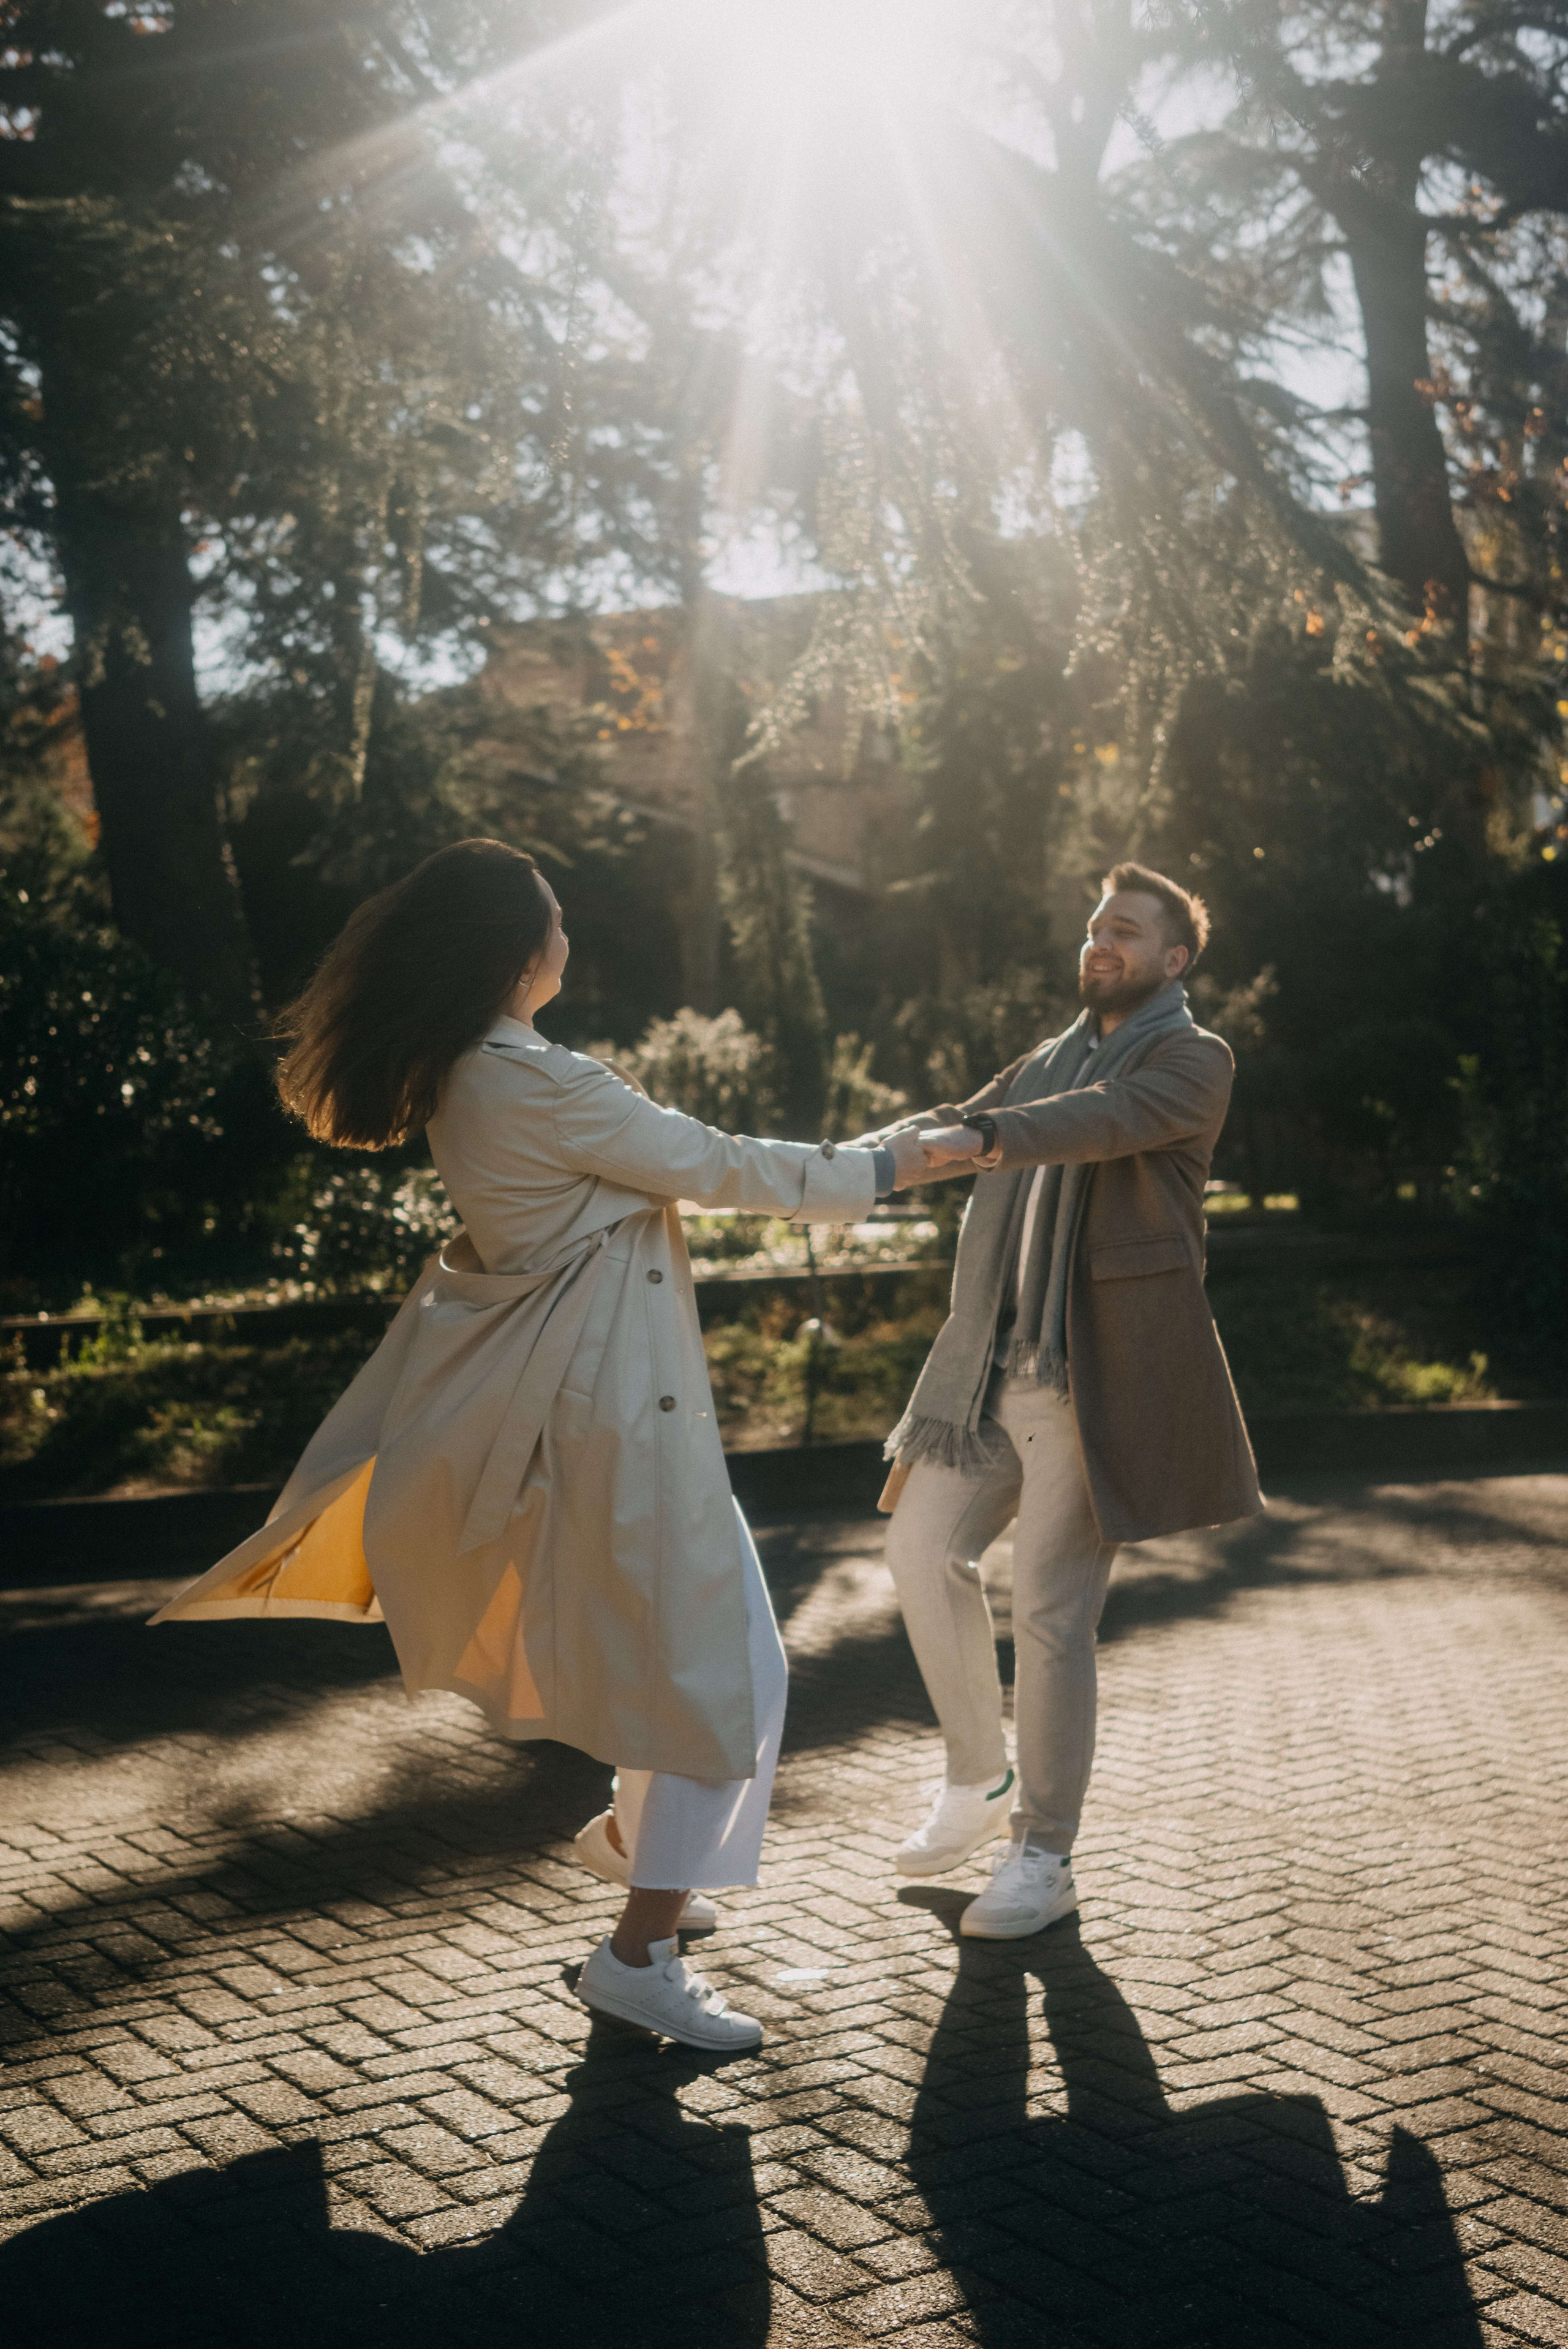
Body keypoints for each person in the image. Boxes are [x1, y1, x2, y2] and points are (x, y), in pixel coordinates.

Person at [153, 839, 933, 2049]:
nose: (570, 936)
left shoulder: (472, 1075)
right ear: (522, 953)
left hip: (609, 1416)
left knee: (699, 1662)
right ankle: (640, 1947)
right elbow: (731, 1166)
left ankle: (645, 1863)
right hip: (618, 1423)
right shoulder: (536, 1081)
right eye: (557, 921)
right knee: (722, 1679)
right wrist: (904, 1161)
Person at [868, 863, 1262, 1939]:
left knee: (1048, 1614)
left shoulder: (1191, 1059)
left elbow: (1095, 1121)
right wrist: (849, 1165)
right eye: (1096, 926)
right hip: (991, 1371)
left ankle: (1045, 1853)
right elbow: (965, 1117)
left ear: (1174, 959)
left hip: (1097, 1379)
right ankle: (977, 1775)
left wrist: (988, 1136)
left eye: (1127, 931)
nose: (1103, 942)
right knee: (917, 1548)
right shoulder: (1049, 1055)